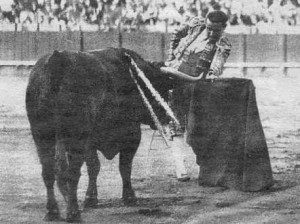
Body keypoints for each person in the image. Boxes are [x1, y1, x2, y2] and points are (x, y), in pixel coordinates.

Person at [161, 10, 232, 182]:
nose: (211, 33)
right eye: (209, 28)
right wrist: (171, 58)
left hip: (198, 89)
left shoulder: (223, 44)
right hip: (176, 82)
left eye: (216, 30)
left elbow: (217, 65)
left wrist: (213, 73)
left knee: (197, 128)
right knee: (176, 125)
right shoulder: (196, 25)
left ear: (223, 28)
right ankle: (181, 168)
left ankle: (204, 167)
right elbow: (176, 34)